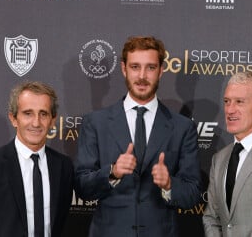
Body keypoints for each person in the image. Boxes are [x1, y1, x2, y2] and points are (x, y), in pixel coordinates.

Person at [74, 36, 201, 237]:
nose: (142, 76)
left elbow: (192, 195)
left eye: (150, 68)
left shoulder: (182, 127)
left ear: (161, 70)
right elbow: (82, 187)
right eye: (135, 67)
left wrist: (169, 184)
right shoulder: (95, 123)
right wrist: (112, 172)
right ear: (124, 69)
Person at [0, 81, 74, 237]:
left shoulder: (63, 166)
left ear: (53, 120)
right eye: (28, 113)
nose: (36, 122)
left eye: (43, 114)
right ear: (13, 118)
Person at [203, 71, 252, 236]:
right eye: (227, 101)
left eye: (239, 102)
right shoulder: (219, 159)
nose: (230, 110)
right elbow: (211, 217)